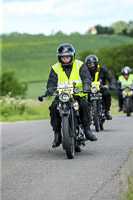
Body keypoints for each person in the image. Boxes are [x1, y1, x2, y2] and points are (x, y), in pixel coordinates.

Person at [44, 43, 97, 148]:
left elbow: (86, 77)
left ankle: (87, 130)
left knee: (85, 105)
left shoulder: (79, 64)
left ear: (72, 56)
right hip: (62, 95)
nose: (65, 59)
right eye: (63, 57)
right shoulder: (55, 68)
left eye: (67, 57)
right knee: (54, 107)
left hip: (78, 94)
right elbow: (51, 81)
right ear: (60, 58)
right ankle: (57, 134)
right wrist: (49, 90)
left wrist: (86, 86)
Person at [85, 55, 116, 120]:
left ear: (96, 63)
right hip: (90, 90)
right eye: (89, 65)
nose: (91, 66)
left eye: (92, 64)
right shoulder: (85, 72)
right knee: (85, 98)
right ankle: (87, 114)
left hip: (102, 88)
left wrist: (112, 84)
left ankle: (106, 112)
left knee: (107, 94)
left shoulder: (102, 69)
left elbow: (111, 77)